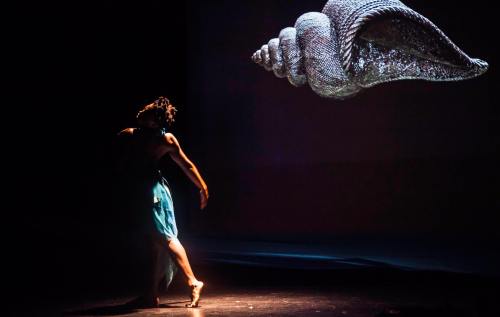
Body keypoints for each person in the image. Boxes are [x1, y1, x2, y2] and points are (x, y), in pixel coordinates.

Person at [116, 96, 208, 308]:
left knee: (164, 236)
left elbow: (187, 165)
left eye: (147, 112)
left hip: (153, 191)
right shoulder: (137, 135)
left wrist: (202, 186)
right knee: (153, 243)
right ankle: (151, 293)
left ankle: (193, 282)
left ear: (154, 121)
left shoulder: (152, 138)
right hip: (144, 190)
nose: (142, 112)